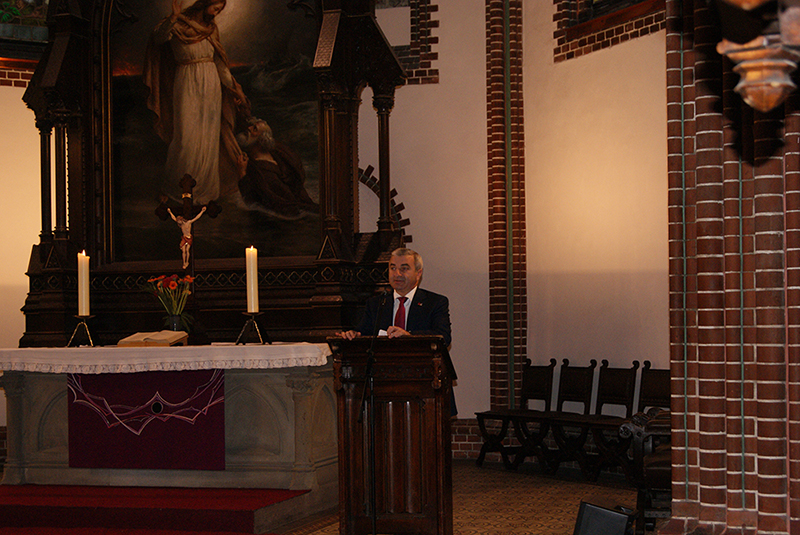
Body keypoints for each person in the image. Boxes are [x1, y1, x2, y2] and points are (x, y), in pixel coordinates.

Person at [144, 0, 249, 205]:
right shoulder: (176, 25)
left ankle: (204, 193)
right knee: (185, 138)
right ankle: (174, 188)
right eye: (216, 8)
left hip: (211, 86)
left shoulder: (211, 30)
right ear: (205, 3)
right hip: (186, 82)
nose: (217, 13)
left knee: (208, 139)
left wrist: (233, 88)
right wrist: (174, 17)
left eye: (220, 10)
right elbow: (158, 39)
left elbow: (220, 65)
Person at [337, 248, 451, 344]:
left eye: (404, 269)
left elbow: (444, 337)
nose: (397, 274)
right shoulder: (376, 304)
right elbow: (363, 333)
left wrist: (409, 336)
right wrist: (353, 335)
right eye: (393, 268)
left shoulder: (434, 302)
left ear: (418, 273)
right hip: (383, 366)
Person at [235, 117, 319, 218]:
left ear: (260, 139)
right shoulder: (269, 154)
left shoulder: (264, 171)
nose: (249, 128)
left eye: (254, 129)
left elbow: (251, 201)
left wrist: (242, 172)